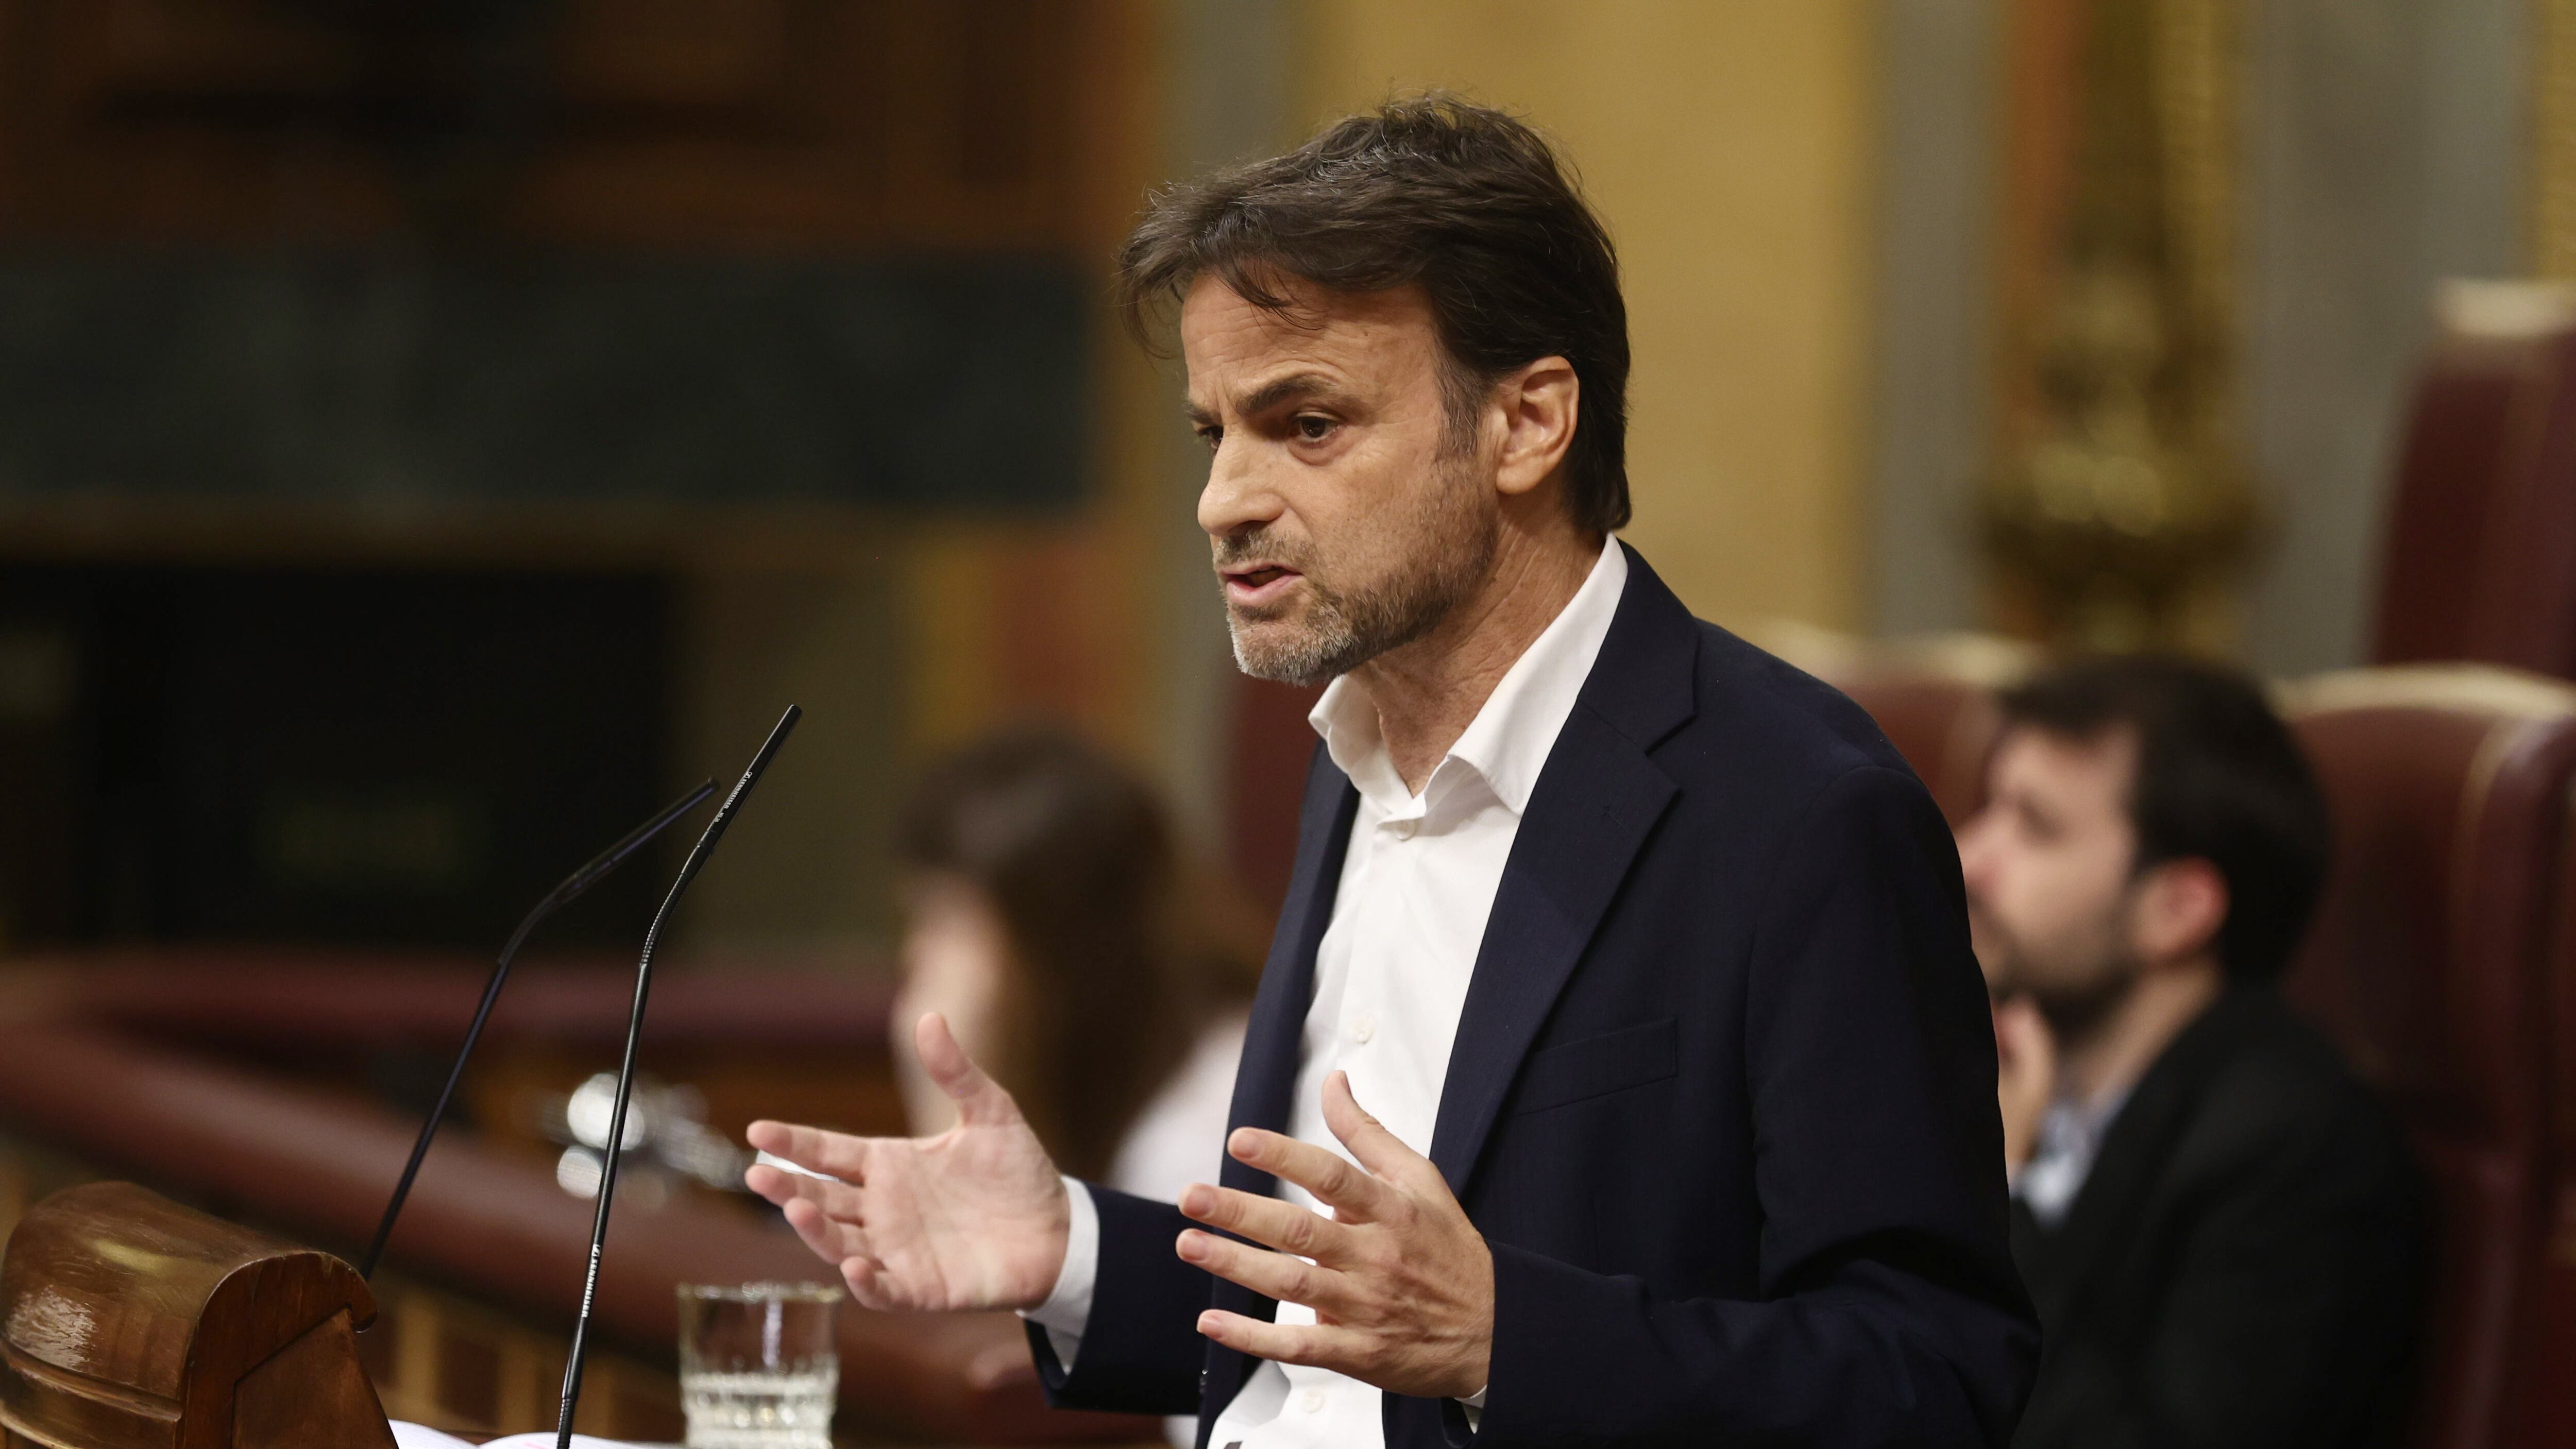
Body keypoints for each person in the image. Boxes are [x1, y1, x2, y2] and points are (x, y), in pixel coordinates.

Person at [748, 96, 2036, 1447]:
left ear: (1525, 423)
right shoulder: (1348, 754)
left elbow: (1932, 1379)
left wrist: (1504, 1339)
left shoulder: (1801, 811)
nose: (1223, 500)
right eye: (1215, 434)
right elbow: (1334, 1340)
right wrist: (1070, 1246)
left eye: (1306, 424)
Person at [1955, 655, 2424, 1449]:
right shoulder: (2011, 1076)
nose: (1970, 858)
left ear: (2176, 909)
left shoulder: (2294, 1151)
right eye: (1988, 810)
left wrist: (1999, 1191)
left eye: (2035, 827)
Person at [888, 727, 1259, 1200]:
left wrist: (951, 1102)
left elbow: (993, 1248)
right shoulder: (1120, 1083)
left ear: (1051, 940)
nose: (915, 953)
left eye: (942, 921)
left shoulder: (1200, 1137)